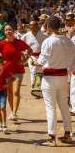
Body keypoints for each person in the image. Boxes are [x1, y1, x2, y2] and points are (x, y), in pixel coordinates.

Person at [31, 16, 75, 146]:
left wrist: (33, 61)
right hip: (63, 76)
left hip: (50, 77)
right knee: (64, 107)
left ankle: (52, 137)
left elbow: (41, 62)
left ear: (48, 27)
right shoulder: (69, 42)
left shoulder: (48, 41)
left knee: (50, 108)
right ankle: (67, 134)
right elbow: (73, 63)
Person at [0, 25, 32, 121]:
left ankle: (14, 113)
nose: (8, 31)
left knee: (16, 91)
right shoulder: (2, 43)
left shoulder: (19, 42)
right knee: (9, 92)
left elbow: (30, 50)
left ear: (14, 31)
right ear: (4, 32)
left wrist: (24, 61)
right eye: (6, 30)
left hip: (18, 69)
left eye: (10, 29)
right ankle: (12, 111)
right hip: (6, 70)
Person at [0, 56, 16, 133]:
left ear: (2, 64)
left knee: (3, 108)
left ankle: (4, 124)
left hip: (3, 91)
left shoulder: (3, 71)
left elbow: (13, 78)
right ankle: (1, 124)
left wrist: (7, 84)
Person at [22, 20, 49, 87]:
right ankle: (34, 87)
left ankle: (41, 87)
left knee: (41, 71)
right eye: (30, 25)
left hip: (41, 56)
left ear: (37, 26)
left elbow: (50, 41)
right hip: (31, 56)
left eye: (33, 25)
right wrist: (23, 51)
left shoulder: (43, 35)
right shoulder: (26, 36)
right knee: (33, 71)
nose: (31, 27)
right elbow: (20, 45)